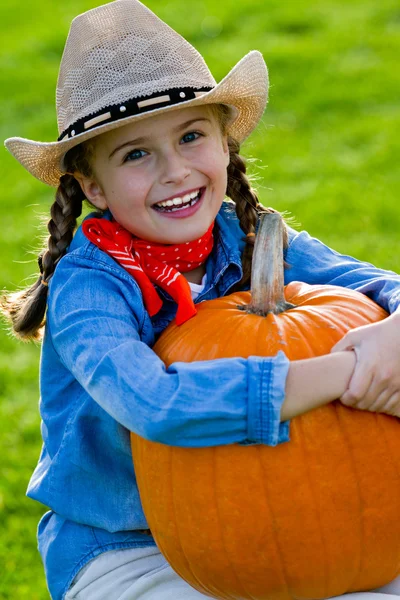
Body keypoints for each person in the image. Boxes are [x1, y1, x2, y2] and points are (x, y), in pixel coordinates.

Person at [2, 1, 400, 599]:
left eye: (192, 137)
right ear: (92, 187)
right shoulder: (89, 291)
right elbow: (158, 404)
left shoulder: (251, 236)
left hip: (270, 516)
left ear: (225, 144)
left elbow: (375, 283)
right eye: (136, 153)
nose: (175, 170)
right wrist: (349, 369)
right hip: (128, 549)